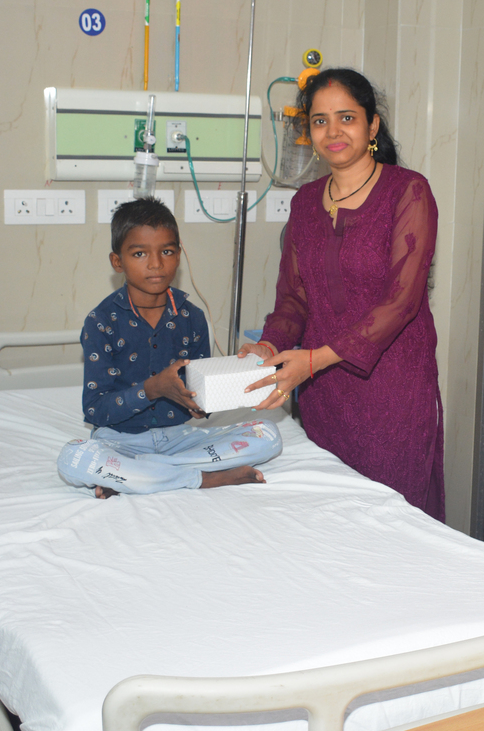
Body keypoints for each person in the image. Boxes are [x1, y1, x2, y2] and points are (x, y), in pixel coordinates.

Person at [237, 68, 443, 518]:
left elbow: (402, 302)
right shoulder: (305, 203)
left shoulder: (408, 192)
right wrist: (270, 345)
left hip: (392, 394)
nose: (333, 132)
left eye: (346, 118)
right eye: (320, 121)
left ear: (372, 126)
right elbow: (294, 299)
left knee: (390, 520)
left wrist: (313, 360)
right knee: (327, 521)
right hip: (323, 396)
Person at [59, 197, 279, 497]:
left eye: (166, 251)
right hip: (118, 441)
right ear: (117, 262)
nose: (156, 263)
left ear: (178, 255)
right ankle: (200, 477)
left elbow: (199, 398)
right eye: (139, 253)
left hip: (181, 440)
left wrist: (231, 378)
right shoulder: (101, 322)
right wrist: (152, 389)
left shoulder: (193, 318)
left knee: (268, 436)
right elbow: (96, 409)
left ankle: (135, 474)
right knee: (72, 460)